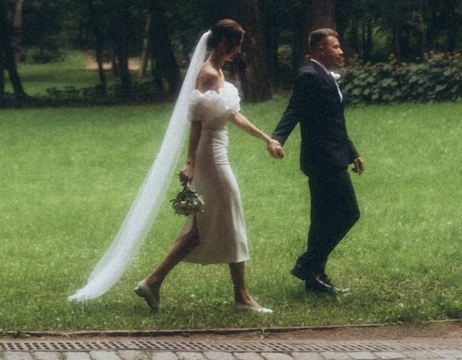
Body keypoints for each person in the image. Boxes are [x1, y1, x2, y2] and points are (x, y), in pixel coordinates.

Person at [131, 20, 285, 313]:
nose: (239, 50)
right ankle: (242, 297)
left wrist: (267, 139)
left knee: (200, 228)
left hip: (218, 149)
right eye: (237, 44)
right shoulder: (208, 75)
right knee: (230, 214)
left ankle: (152, 282)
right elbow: (197, 122)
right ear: (225, 43)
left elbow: (232, 115)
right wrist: (190, 163)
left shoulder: (218, 73)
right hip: (210, 156)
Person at [271, 28, 364, 295]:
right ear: (321, 50)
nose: (340, 51)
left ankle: (315, 279)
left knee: (322, 219)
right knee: (349, 213)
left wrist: (353, 152)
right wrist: (277, 138)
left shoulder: (326, 77)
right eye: (335, 47)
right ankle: (307, 264)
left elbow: (335, 121)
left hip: (334, 154)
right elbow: (294, 110)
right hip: (323, 159)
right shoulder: (309, 76)